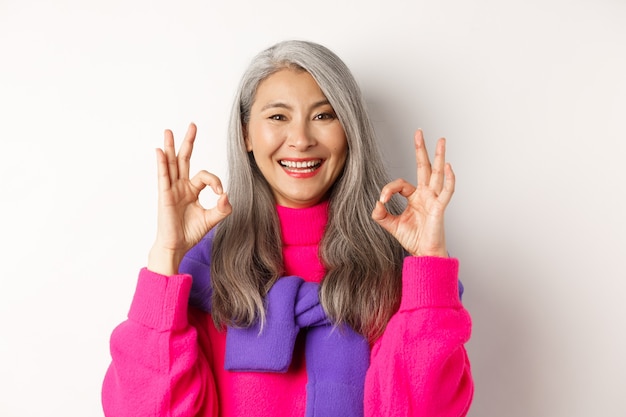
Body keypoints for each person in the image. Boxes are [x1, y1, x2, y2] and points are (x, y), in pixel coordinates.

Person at [102, 39, 474, 417]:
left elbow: (427, 409)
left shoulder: (399, 273)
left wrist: (429, 263)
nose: (300, 140)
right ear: (246, 134)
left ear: (350, 132)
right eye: (278, 117)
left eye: (324, 116)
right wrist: (166, 256)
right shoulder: (205, 270)